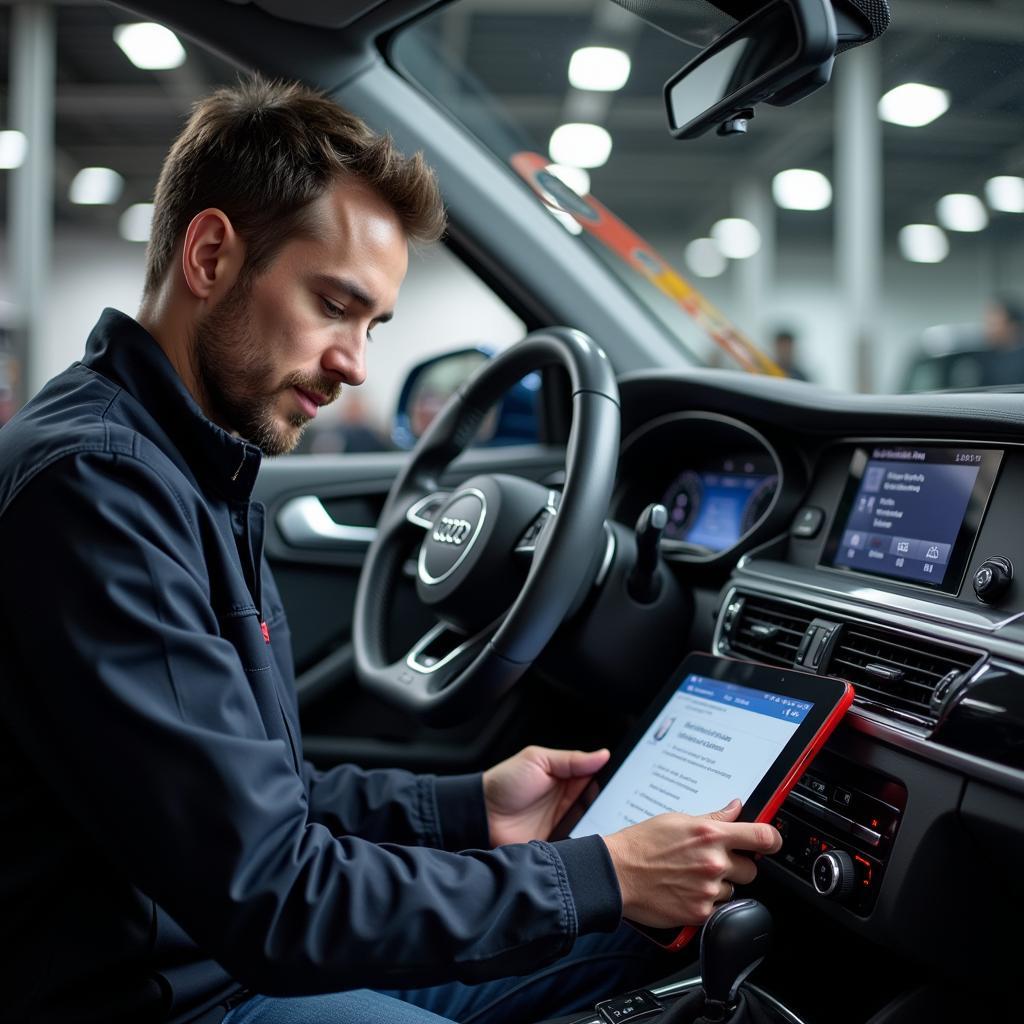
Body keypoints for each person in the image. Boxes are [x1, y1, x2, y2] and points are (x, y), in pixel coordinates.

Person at [0, 77, 780, 1024]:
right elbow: (275, 898)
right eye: (334, 305)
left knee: (631, 940)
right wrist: (596, 873)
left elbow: (258, 795)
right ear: (210, 254)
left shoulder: (188, 461)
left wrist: (469, 812)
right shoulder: (100, 487)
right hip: (169, 994)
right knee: (610, 910)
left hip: (218, 950)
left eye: (373, 326)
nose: (356, 363)